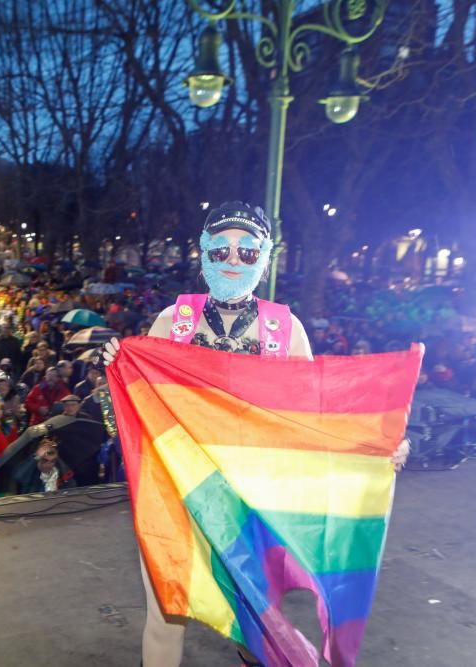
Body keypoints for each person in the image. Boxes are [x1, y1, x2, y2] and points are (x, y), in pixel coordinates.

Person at [102, 201, 410, 667]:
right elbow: (138, 416)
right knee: (167, 616)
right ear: (203, 253)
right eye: (221, 248)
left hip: (251, 507)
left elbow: (314, 423)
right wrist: (117, 376)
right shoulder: (172, 322)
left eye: (247, 251)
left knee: (255, 627)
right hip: (177, 498)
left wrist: (374, 446)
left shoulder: (285, 331)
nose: (232, 259)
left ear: (265, 258)